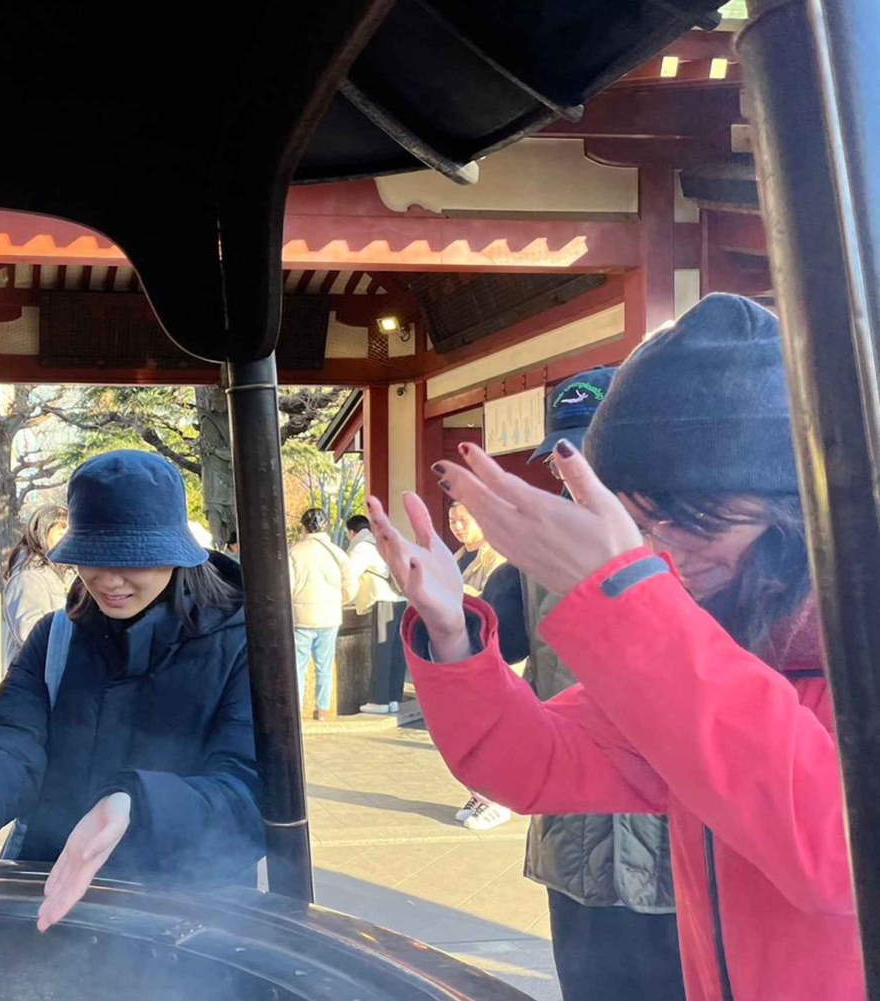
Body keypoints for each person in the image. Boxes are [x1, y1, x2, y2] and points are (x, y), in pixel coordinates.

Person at [368, 294, 861, 1001]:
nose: (668, 554)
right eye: (639, 524)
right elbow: (535, 761)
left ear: (798, 509)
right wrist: (452, 633)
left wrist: (630, 595)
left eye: (702, 520)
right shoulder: (722, 639)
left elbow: (837, 852)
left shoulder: (854, 651)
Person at [0, 450, 263, 930]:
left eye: (132, 559)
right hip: (54, 899)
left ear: (175, 552)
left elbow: (247, 790)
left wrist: (137, 806)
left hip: (186, 920)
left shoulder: (241, 643)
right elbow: (10, 733)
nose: (108, 579)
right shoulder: (58, 636)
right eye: (93, 557)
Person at [512, 366, 684, 1001]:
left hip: (674, 845)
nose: (576, 474)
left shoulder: (692, 539)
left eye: (591, 454)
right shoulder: (539, 544)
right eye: (563, 459)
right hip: (574, 842)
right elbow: (499, 644)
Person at [444, 501, 528, 830]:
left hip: (497, 655)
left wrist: (460, 593)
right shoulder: (460, 555)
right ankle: (480, 795)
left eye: (463, 520)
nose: (457, 526)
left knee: (495, 730)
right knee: (470, 731)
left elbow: (498, 603)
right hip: (469, 653)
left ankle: (498, 800)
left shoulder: (497, 557)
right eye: (452, 520)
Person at [288, 508, 356, 720]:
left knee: (298, 667)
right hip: (329, 615)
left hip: (301, 617)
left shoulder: (294, 552)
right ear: (325, 525)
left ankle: (297, 710)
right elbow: (351, 584)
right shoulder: (337, 552)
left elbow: (287, 586)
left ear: (304, 526)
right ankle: (324, 709)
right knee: (325, 665)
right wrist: (339, 600)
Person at [346, 515, 407, 716]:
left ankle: (378, 700)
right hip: (400, 599)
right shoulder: (380, 544)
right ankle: (393, 699)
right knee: (395, 650)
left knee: (380, 650)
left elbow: (348, 576)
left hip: (382, 599)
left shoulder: (361, 547)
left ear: (351, 532)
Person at [0, 505, 71, 667]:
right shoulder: (29, 576)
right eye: (62, 530)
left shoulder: (63, 570)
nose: (68, 537)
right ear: (43, 532)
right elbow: (28, 632)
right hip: (33, 675)